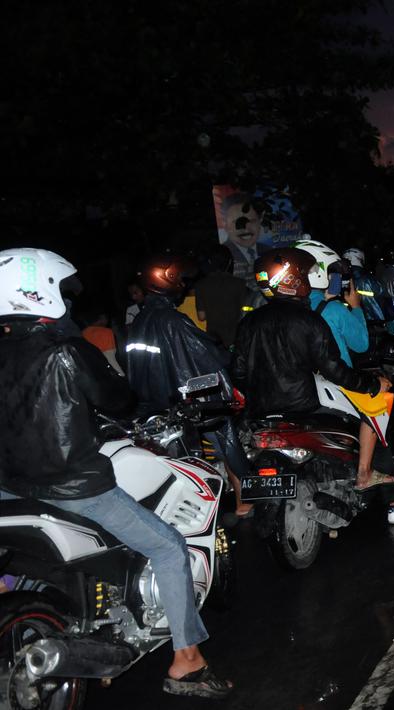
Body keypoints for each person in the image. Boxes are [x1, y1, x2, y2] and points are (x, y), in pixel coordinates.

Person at [0, 248, 232, 699]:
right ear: (42, 293)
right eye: (63, 292)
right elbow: (118, 400)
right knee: (168, 546)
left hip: (11, 487)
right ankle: (187, 660)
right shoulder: (66, 350)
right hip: (71, 486)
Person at [233, 250, 394, 524]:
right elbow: (336, 371)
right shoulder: (309, 320)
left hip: (260, 408)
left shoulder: (249, 322)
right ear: (294, 279)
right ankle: (378, 487)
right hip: (303, 403)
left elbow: (238, 372)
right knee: (378, 417)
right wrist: (371, 385)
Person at [127, 254, 253, 518]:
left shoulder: (139, 322)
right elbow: (207, 355)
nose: (183, 286)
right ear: (168, 280)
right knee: (224, 434)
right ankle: (246, 500)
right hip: (185, 400)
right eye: (180, 280)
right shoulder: (172, 320)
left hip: (150, 405)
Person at [193, 245, 250, 348]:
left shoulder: (201, 285)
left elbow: (201, 317)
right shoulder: (240, 283)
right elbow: (246, 312)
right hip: (238, 339)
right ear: (229, 262)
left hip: (216, 341)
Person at [218, 193, 267, 282]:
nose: (245, 229)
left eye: (251, 221)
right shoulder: (222, 258)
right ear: (225, 225)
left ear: (260, 220)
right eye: (237, 223)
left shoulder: (268, 252)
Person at [82, 308, 124, 374]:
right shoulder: (106, 332)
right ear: (101, 318)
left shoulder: (83, 334)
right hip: (112, 369)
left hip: (95, 371)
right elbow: (111, 357)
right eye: (106, 318)